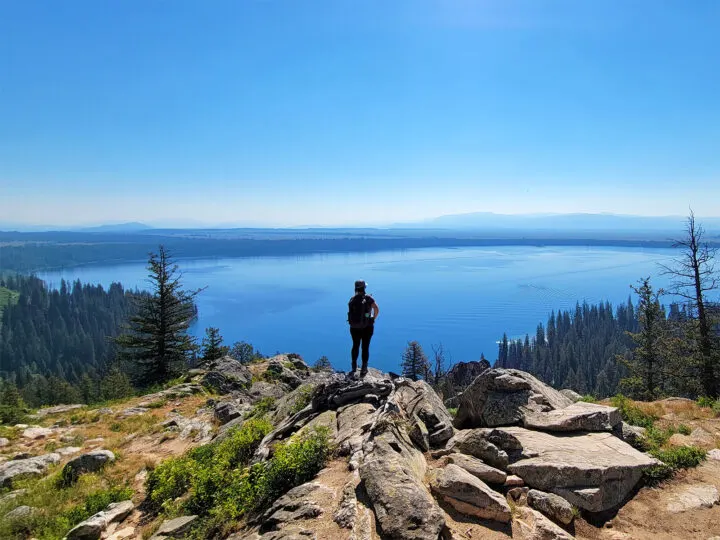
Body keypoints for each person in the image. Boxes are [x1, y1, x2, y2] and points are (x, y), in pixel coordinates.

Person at [347, 280, 379, 377]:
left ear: (355, 288)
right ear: (364, 288)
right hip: (367, 327)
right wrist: (373, 318)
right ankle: (364, 368)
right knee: (365, 347)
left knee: (355, 345)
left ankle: (353, 366)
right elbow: (376, 309)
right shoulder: (368, 298)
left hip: (354, 327)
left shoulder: (352, 299)